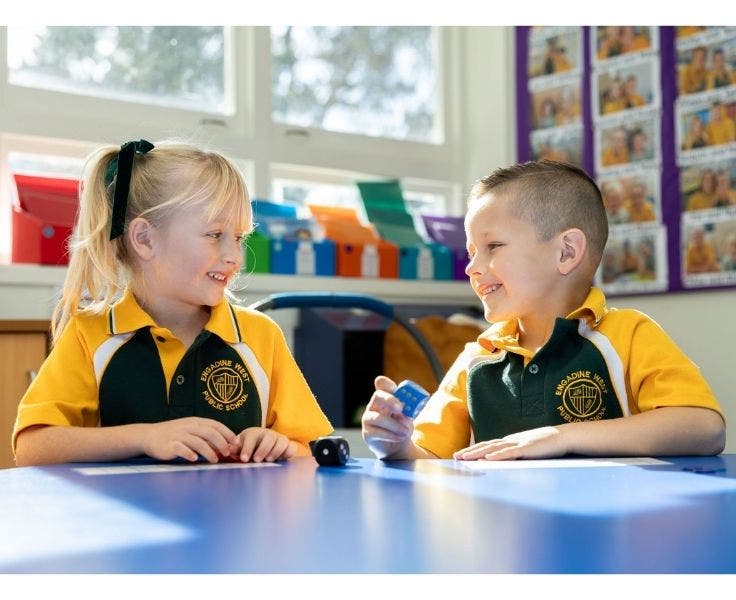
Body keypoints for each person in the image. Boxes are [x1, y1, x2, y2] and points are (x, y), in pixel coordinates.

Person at [361, 160, 725, 461]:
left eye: (493, 246)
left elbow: (705, 428)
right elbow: (428, 456)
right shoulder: (477, 359)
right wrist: (395, 444)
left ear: (566, 252)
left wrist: (562, 436)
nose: (472, 267)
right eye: (472, 252)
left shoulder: (629, 334)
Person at [13, 139, 333, 466]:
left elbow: (308, 450)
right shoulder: (89, 335)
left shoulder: (262, 336)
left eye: (238, 238)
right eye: (214, 235)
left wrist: (280, 445)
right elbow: (32, 447)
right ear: (144, 238)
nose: (235, 257)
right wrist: (146, 436)